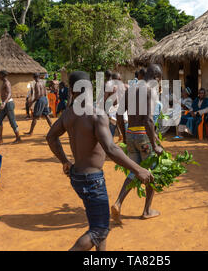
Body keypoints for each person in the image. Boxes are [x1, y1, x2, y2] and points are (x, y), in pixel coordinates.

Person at [46, 71, 153, 251]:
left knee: (97, 223)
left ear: (71, 91)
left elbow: (51, 137)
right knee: (100, 230)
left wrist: (65, 161)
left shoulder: (68, 114)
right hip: (92, 180)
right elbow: (111, 149)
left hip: (77, 177)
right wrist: (138, 169)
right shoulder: (96, 114)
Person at [111, 64, 164, 223]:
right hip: (144, 137)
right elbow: (148, 119)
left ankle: (118, 202)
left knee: (134, 171)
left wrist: (125, 137)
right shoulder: (150, 90)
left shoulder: (131, 89)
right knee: (151, 172)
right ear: (156, 77)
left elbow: (120, 115)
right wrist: (154, 144)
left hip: (131, 133)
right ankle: (147, 210)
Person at [0, 70, 21, 144]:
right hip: (5, 104)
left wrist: (4, 102)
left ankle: (18, 138)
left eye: (0, 75)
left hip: (8, 104)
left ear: (2, 75)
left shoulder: (7, 83)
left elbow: (9, 93)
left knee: (12, 122)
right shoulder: (4, 82)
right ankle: (0, 138)